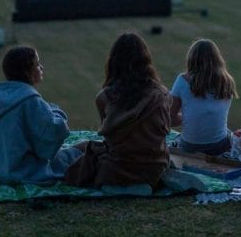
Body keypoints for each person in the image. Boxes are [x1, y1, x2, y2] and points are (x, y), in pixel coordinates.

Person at [64, 32, 171, 188]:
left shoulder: (104, 97)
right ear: (146, 61)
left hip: (115, 172)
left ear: (113, 62)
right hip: (153, 170)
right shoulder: (161, 95)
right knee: (87, 147)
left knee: (82, 152)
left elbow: (110, 141)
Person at [0, 46, 81, 184]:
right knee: (83, 150)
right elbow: (53, 132)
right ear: (27, 72)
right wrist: (56, 111)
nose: (41, 67)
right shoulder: (29, 100)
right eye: (37, 64)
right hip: (19, 170)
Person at [169, 39, 238, 156]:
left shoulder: (182, 80)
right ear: (218, 58)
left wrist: (188, 118)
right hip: (219, 146)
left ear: (191, 58)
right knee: (227, 132)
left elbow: (170, 119)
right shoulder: (228, 81)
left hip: (190, 146)